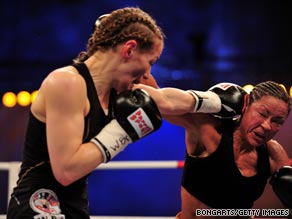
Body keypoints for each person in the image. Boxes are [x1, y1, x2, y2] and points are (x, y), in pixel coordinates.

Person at [7, 7, 165, 219]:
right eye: (150, 62)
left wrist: (211, 101)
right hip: (38, 206)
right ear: (129, 50)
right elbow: (66, 171)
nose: (148, 74)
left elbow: (168, 100)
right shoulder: (66, 83)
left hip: (76, 207)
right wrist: (123, 131)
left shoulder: (120, 89)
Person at [133, 81, 292, 219]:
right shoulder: (209, 131)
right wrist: (208, 101)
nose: (267, 126)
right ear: (245, 104)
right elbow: (161, 100)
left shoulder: (273, 154)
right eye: (262, 114)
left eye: (277, 122)